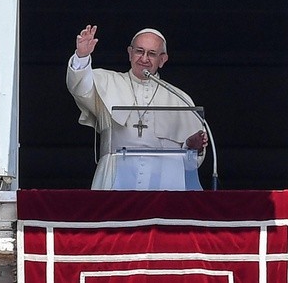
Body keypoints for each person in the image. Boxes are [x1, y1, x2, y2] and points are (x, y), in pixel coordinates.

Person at [66, 25, 209, 190]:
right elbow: (79, 87)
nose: (144, 58)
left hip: (164, 181)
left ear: (162, 60)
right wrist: (82, 56)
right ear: (130, 53)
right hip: (114, 178)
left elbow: (190, 165)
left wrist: (191, 148)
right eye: (139, 51)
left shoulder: (179, 98)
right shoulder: (106, 81)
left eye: (152, 54)